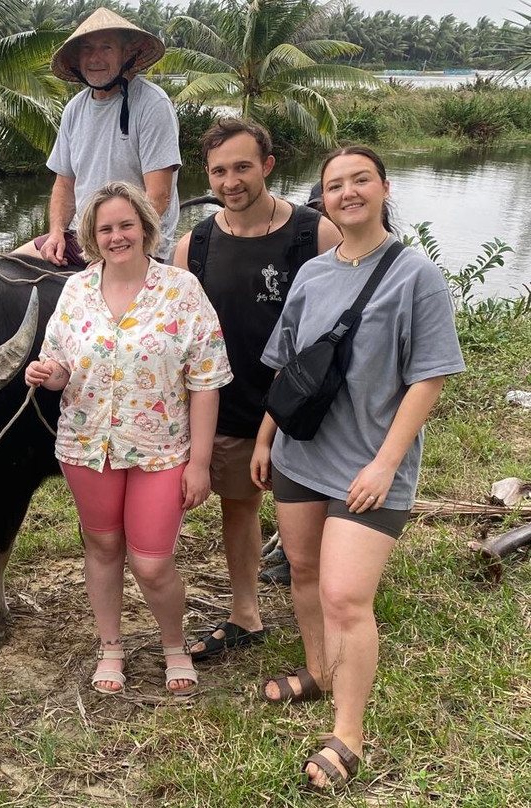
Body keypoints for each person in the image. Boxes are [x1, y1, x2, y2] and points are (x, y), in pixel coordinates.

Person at [251, 147, 465, 788]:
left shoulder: (416, 275)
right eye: (335, 185)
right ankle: (317, 672)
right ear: (324, 198)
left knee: (347, 596)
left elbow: (428, 379)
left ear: (383, 188)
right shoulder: (314, 273)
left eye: (360, 181)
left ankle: (349, 733)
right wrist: (265, 439)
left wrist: (385, 464)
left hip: (368, 468)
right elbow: (292, 369)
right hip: (300, 454)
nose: (348, 193)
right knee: (306, 572)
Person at [25, 182, 231, 696]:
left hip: (161, 451)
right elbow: (61, 366)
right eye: (105, 228)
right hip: (86, 445)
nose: (117, 236)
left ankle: (174, 644)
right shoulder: (75, 291)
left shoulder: (181, 290)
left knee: (152, 561)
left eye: (125, 225)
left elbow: (205, 380)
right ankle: (111, 646)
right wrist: (48, 375)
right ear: (92, 237)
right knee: (102, 544)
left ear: (144, 227)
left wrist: (200, 463)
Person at [169, 119, 341, 661]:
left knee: (319, 509)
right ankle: (247, 612)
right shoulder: (192, 246)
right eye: (219, 171)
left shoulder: (314, 234)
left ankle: (335, 606)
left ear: (267, 166)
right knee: (238, 508)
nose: (231, 181)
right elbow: (176, 334)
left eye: (242, 167)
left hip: (308, 408)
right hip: (229, 407)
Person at [13, 7, 181, 266]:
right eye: (88, 49)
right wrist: (57, 233)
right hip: (84, 238)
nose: (95, 58)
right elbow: (64, 185)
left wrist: (113, 247)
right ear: (77, 59)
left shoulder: (152, 103)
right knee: (8, 265)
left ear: (127, 53)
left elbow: (158, 196)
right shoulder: (74, 109)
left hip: (139, 242)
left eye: (106, 47)